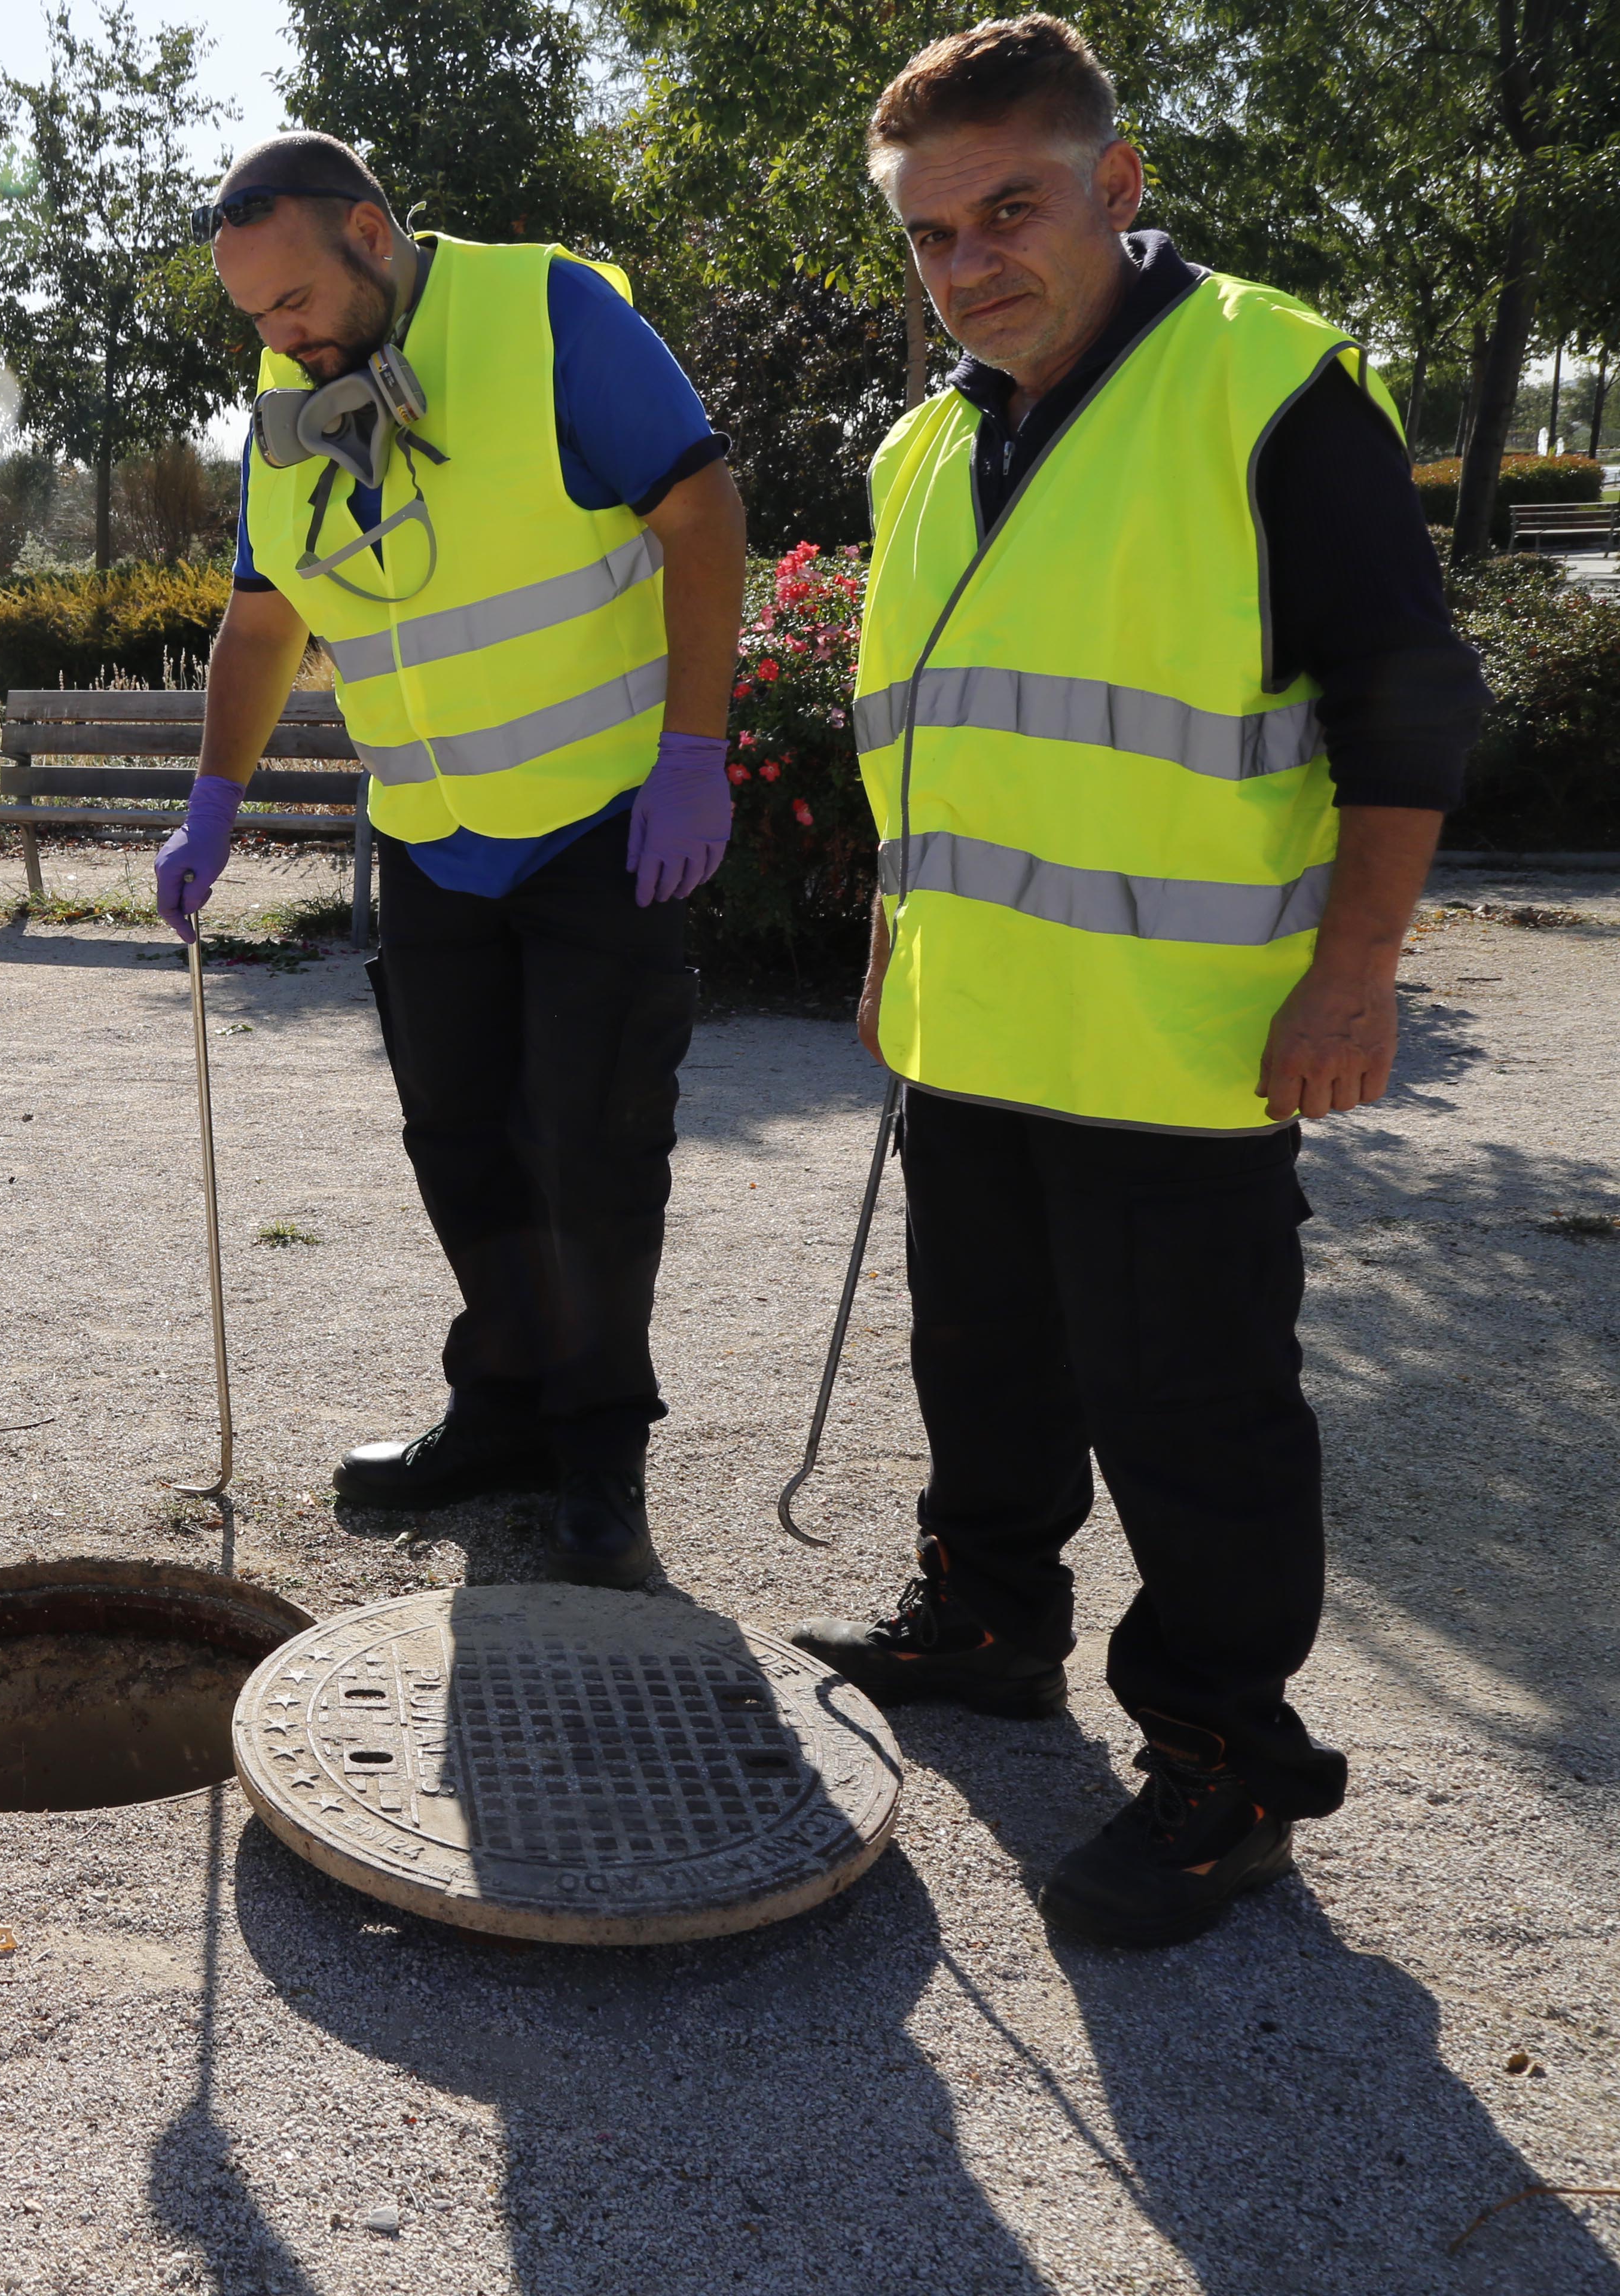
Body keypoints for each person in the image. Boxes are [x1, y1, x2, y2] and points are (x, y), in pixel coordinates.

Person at [788, 16, 1479, 1948]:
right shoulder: (931, 440)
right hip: (977, 1022)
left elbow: (1410, 703)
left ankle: (1229, 1762)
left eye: (1011, 209)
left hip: (1184, 1044)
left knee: (1193, 1417)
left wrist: (1356, 977)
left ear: (1118, 184)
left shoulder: (1265, 383)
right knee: (982, 1359)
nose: (968, 261)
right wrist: (894, 937)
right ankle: (991, 1620)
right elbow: (931, 734)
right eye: (931, 233)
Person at [159, 132, 749, 1587]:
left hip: (601, 827)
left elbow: (701, 515)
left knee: (593, 1153)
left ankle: (600, 1453)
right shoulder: (289, 404)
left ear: (371, 233)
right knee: (463, 1146)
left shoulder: (552, 315)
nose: (280, 338)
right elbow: (263, 620)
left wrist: (695, 755)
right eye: (256, 316)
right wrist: (214, 800)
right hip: (431, 841)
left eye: (295, 300)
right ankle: (501, 1412)